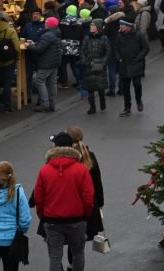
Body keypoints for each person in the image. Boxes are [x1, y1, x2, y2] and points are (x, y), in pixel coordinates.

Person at [34, 132, 94, 271]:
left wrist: (43, 216)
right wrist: (85, 215)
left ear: (54, 147)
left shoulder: (45, 170)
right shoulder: (81, 169)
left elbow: (39, 197)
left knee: (55, 256)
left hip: (52, 220)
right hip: (77, 219)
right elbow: (88, 196)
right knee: (78, 253)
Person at [65, 126, 105, 268]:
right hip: (89, 205)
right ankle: (75, 265)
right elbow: (97, 182)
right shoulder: (90, 156)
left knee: (72, 239)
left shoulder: (68, 159)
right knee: (79, 240)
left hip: (72, 204)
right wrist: (100, 203)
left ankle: (71, 264)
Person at [0, 12, 21, 113]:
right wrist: (17, 58)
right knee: (7, 84)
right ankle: (7, 105)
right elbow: (17, 48)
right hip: (8, 62)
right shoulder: (11, 31)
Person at [114, 19, 150, 117]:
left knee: (137, 84)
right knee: (125, 88)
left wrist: (138, 58)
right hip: (123, 65)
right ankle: (127, 108)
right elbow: (115, 48)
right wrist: (119, 58)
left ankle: (138, 100)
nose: (120, 27)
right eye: (120, 25)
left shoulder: (138, 35)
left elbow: (146, 48)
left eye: (122, 25)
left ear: (128, 26)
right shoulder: (119, 36)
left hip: (135, 64)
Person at [27, 16, 62, 112]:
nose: (44, 24)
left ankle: (45, 103)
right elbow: (44, 46)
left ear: (49, 24)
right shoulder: (56, 33)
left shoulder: (47, 35)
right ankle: (52, 104)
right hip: (55, 61)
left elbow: (39, 49)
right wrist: (35, 44)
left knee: (40, 81)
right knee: (52, 83)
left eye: (46, 23)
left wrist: (29, 46)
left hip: (47, 62)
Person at [81, 19, 110, 114]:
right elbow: (82, 50)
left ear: (98, 27)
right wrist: (85, 61)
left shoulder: (104, 38)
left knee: (100, 87)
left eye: (93, 25)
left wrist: (103, 62)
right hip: (88, 65)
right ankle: (92, 107)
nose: (91, 26)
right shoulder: (86, 38)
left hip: (99, 65)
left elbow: (107, 52)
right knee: (90, 88)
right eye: (90, 25)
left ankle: (103, 102)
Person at [20, 8, 46, 102]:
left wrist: (35, 43)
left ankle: (41, 98)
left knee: (40, 77)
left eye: (37, 14)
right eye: (34, 14)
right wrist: (25, 43)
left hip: (39, 54)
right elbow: (22, 37)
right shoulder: (27, 25)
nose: (35, 15)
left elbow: (44, 41)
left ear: (40, 15)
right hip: (28, 53)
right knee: (28, 76)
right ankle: (27, 96)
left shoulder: (43, 26)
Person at [58, 5, 84, 89]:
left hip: (64, 45)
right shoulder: (79, 21)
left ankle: (64, 82)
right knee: (75, 65)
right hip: (75, 45)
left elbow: (60, 34)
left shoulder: (63, 21)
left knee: (63, 64)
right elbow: (81, 35)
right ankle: (79, 82)